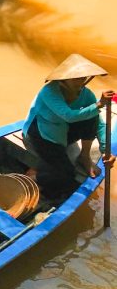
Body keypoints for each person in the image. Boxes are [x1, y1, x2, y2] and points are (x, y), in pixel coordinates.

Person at [22, 54, 115, 202]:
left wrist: (106, 150)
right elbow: (68, 116)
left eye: (83, 77)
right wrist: (98, 104)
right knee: (65, 174)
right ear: (64, 79)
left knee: (92, 117)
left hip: (64, 131)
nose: (81, 81)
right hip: (42, 135)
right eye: (76, 78)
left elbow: (99, 123)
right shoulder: (49, 92)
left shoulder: (86, 95)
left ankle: (85, 156)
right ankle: (34, 175)